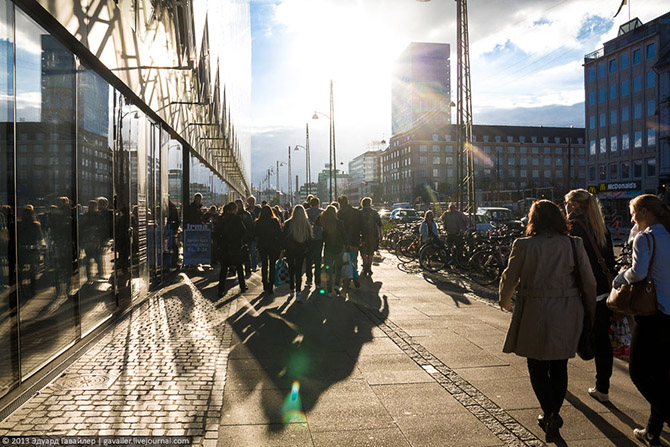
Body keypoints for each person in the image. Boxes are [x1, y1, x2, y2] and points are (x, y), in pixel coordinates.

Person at [499, 200, 596, 443]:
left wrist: (504, 299)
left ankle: (549, 411)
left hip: (534, 310)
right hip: (567, 310)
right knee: (560, 364)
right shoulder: (574, 244)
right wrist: (590, 311)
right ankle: (554, 412)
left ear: (534, 220)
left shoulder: (523, 245)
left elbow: (509, 277)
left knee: (536, 364)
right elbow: (589, 281)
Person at [612, 194, 670, 447]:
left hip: (652, 314)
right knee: (662, 374)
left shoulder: (645, 239)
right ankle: (652, 433)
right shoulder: (668, 236)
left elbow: (639, 273)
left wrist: (620, 276)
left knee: (639, 372)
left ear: (645, 212)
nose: (632, 218)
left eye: (634, 213)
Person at [564, 189, 616, 403]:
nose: (565, 207)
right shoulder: (601, 227)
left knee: (565, 337)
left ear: (574, 205)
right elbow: (610, 260)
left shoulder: (572, 228)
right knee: (603, 339)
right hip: (603, 291)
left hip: (579, 292)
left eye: (567, 203)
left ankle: (557, 381)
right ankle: (602, 387)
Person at [213, 202, 247, 297]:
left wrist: (220, 243)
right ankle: (243, 286)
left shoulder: (222, 219)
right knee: (239, 267)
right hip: (235, 246)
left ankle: (221, 289)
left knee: (223, 269)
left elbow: (217, 232)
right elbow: (243, 231)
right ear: (235, 210)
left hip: (225, 247)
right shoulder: (237, 219)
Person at [282, 205, 312, 301]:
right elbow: (309, 239)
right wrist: (307, 248)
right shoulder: (306, 224)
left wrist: (283, 249)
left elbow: (284, 237)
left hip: (290, 250)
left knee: (291, 270)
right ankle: (298, 292)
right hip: (301, 250)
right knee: (299, 271)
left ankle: (291, 289)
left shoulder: (288, 223)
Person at [318, 205, 346, 296]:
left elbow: (322, 236)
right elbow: (344, 235)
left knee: (328, 269)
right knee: (338, 268)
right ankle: (337, 285)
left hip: (328, 248)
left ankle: (329, 290)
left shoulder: (325, 224)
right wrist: (346, 246)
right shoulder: (340, 223)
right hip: (339, 248)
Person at [254, 205, 282, 293]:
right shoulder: (274, 221)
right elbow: (279, 233)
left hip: (262, 245)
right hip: (272, 245)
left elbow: (255, 234)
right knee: (272, 265)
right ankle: (271, 283)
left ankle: (265, 282)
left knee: (264, 264)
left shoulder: (258, 222)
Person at [337, 195, 361, 289]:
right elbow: (361, 226)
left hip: (343, 241)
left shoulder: (339, 213)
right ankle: (355, 276)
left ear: (340, 203)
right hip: (355, 239)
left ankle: (346, 281)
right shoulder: (356, 212)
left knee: (344, 261)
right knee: (353, 259)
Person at [359, 197, 382, 276]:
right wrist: (380, 235)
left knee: (363, 251)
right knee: (371, 252)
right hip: (373, 235)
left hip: (363, 235)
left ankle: (365, 264)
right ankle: (369, 267)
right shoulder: (374, 212)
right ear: (370, 203)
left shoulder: (360, 213)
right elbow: (379, 224)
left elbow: (356, 225)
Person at [305, 197, 324, 289]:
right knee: (318, 260)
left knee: (308, 260)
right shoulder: (322, 212)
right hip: (319, 238)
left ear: (310, 204)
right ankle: (318, 281)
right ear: (318, 203)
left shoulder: (306, 212)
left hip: (309, 239)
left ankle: (309, 279)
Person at [236, 199, 255, 277]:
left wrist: (245, 219)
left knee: (247, 254)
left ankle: (248, 270)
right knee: (238, 255)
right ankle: (236, 270)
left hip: (246, 237)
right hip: (237, 237)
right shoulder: (234, 214)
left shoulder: (247, 214)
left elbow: (251, 225)